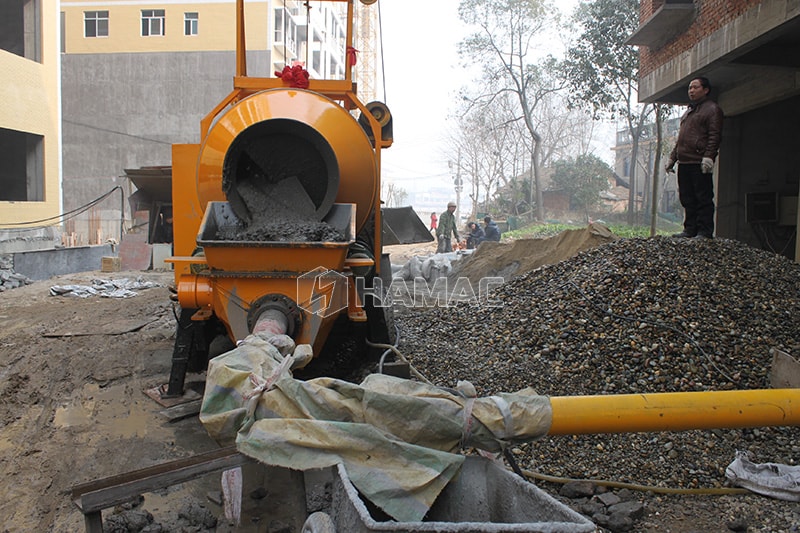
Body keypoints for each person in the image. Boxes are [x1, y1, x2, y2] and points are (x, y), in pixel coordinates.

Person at [665, 76, 724, 239]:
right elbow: (681, 139)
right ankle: (690, 229)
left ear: (705, 90)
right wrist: (672, 158)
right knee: (687, 197)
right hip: (684, 161)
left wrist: (709, 157)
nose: (691, 90)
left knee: (703, 197)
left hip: (699, 161)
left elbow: (714, 135)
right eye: (690, 88)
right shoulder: (688, 112)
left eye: (695, 87)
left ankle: (705, 231)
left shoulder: (712, 109)